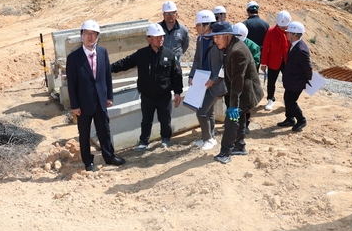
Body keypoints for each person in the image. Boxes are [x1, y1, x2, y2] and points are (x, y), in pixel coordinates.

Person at [66, 19, 126, 172]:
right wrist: (75, 105)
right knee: (84, 133)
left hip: (100, 100)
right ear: (82, 35)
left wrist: (109, 96)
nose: (90, 37)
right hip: (83, 103)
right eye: (87, 33)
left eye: (93, 34)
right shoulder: (73, 58)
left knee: (104, 130)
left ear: (98, 36)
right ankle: (88, 161)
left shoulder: (102, 52)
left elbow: (107, 76)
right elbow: (71, 84)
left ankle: (109, 156)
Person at [111, 23, 183, 150]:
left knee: (165, 119)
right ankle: (143, 141)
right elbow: (124, 63)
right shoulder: (141, 54)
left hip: (164, 95)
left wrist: (178, 92)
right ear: (149, 38)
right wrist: (108, 68)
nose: (160, 39)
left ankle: (165, 138)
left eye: (162, 37)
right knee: (146, 120)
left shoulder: (170, 55)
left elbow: (177, 74)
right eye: (157, 37)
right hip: (147, 96)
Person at [208, 23, 264, 164]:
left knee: (231, 119)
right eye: (214, 37)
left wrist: (233, 105)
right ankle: (239, 146)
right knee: (240, 116)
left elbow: (237, 81)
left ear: (227, 35)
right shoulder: (231, 46)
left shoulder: (237, 51)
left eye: (218, 37)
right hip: (243, 90)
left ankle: (225, 152)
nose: (215, 40)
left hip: (244, 91)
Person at [188, 10, 218, 150]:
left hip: (215, 82)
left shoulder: (218, 39)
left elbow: (223, 65)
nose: (196, 28)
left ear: (206, 25)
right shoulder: (200, 39)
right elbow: (197, 59)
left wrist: (214, 79)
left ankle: (208, 139)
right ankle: (210, 136)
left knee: (201, 112)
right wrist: (192, 75)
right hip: (202, 80)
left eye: (197, 25)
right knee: (209, 111)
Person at [278, 21, 312, 132]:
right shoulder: (294, 45)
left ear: (293, 34)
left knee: (291, 102)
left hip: (297, 81)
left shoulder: (301, 50)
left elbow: (307, 67)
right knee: (287, 98)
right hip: (291, 80)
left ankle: (301, 120)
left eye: (288, 33)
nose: (287, 34)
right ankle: (290, 118)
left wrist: (308, 81)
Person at [260, 10, 291, 111]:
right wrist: (263, 63)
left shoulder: (291, 31)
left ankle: (288, 101)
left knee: (288, 81)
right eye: (282, 26)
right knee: (271, 82)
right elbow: (265, 48)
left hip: (287, 61)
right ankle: (270, 99)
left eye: (285, 26)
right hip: (273, 61)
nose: (283, 28)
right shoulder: (270, 31)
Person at [233, 22, 261, 133]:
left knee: (245, 103)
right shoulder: (229, 44)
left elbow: (256, 62)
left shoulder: (253, 47)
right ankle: (234, 122)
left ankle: (245, 124)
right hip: (233, 79)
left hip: (247, 80)